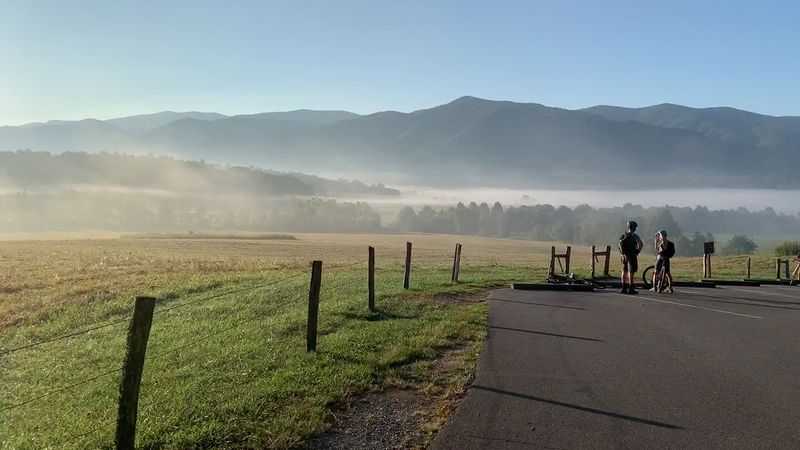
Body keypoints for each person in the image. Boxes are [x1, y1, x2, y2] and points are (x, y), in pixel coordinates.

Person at [618, 220, 644, 294]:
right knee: (631, 272)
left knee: (624, 271)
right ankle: (631, 288)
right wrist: (637, 251)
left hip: (623, 255)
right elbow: (641, 244)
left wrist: (622, 253)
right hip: (632, 255)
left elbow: (619, 244)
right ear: (634, 228)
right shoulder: (634, 236)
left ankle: (623, 288)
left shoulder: (624, 235)